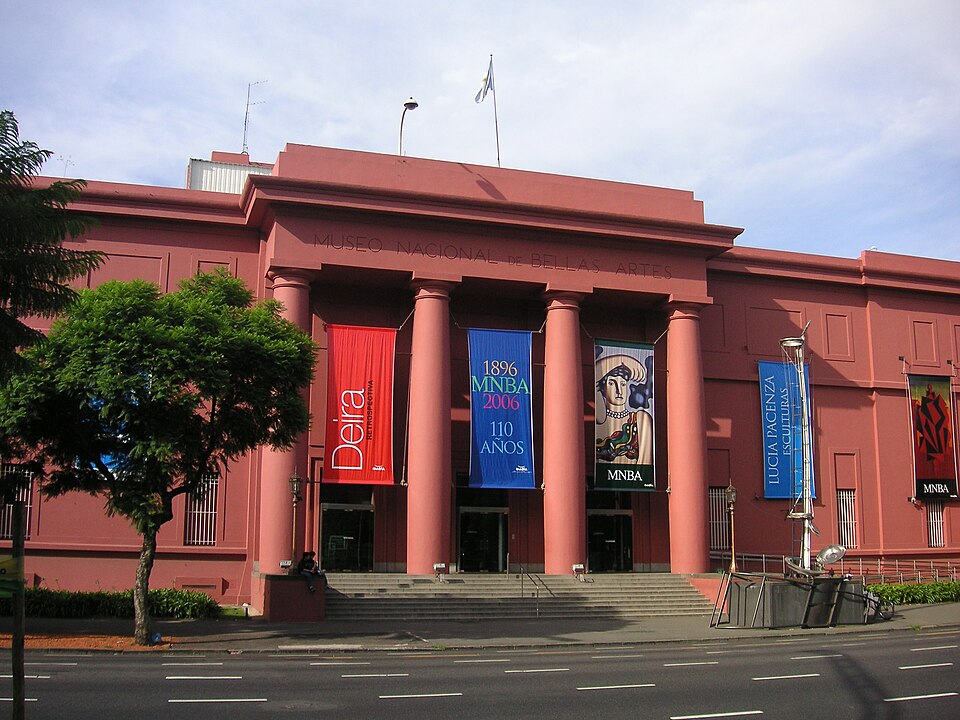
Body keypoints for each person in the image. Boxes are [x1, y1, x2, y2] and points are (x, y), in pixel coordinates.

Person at [595, 354, 653, 466]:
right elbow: (595, 377)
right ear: (603, 388)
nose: (619, 390)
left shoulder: (640, 419)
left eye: (623, 384)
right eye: (612, 383)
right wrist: (623, 360)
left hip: (635, 476)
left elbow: (645, 462)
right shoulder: (601, 419)